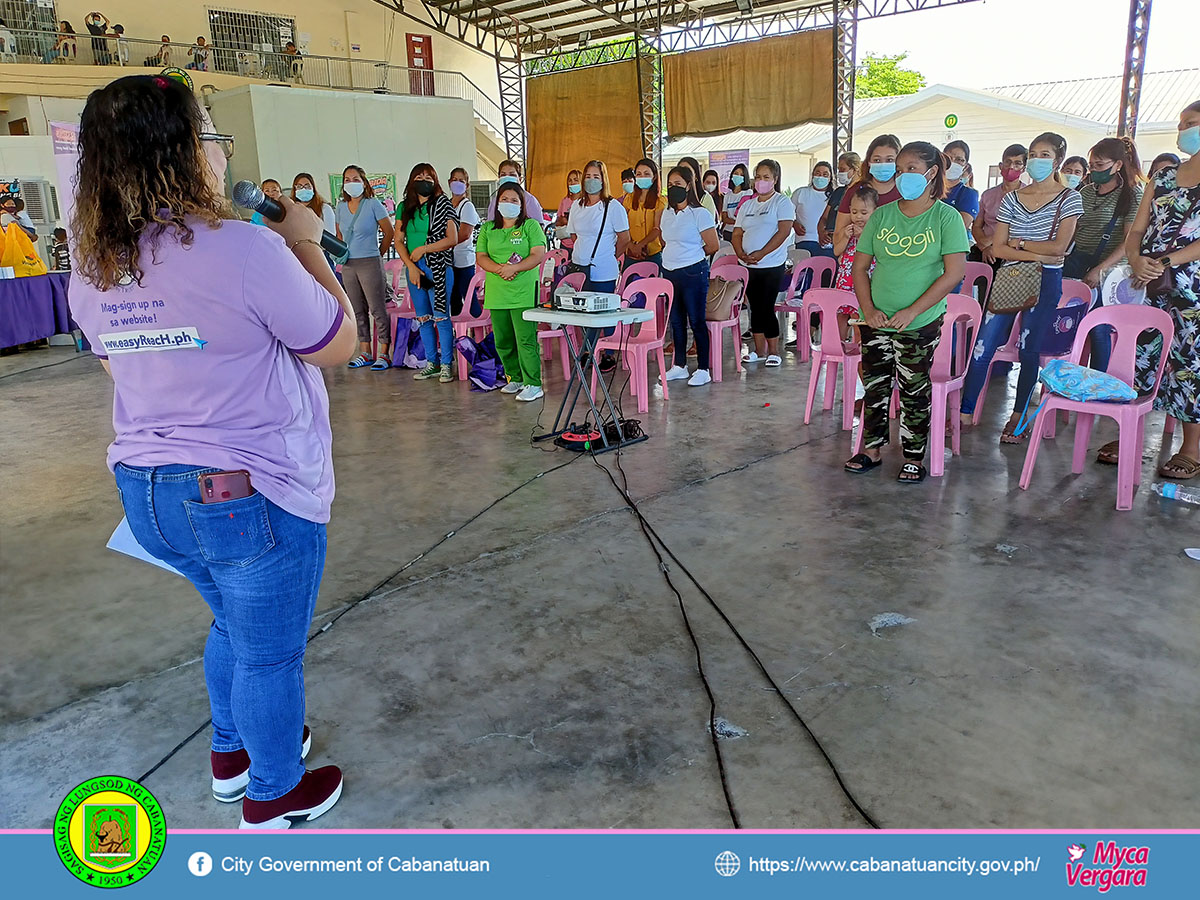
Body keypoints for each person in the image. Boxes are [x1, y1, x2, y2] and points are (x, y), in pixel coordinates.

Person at [68, 74, 355, 830]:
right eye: (208, 137)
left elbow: (115, 365)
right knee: (268, 654)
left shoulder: (96, 267)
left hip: (147, 491)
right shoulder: (246, 248)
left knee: (232, 622)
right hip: (244, 489)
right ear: (185, 152)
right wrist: (305, 245)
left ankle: (230, 753)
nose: (217, 153)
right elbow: (336, 343)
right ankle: (272, 795)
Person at [843, 141, 969, 483]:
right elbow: (860, 268)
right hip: (877, 319)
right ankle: (871, 449)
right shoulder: (882, 214)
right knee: (876, 385)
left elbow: (954, 273)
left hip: (920, 322)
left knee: (914, 388)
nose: (902, 176)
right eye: (899, 170)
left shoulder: (946, 217)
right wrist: (868, 310)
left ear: (931, 173)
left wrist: (913, 311)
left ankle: (914, 455)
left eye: (911, 169)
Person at [960, 132, 1083, 441]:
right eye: (1033, 153)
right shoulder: (1012, 198)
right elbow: (997, 248)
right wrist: (1035, 251)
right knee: (982, 346)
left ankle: (1018, 417)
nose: (1036, 160)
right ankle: (963, 412)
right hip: (1010, 278)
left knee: (1030, 350)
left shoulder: (1070, 198)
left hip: (1046, 280)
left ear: (1057, 159)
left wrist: (1022, 242)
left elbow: (1060, 247)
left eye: (1044, 154)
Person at [1126, 100, 1200, 481]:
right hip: (1148, 281)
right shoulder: (1165, 176)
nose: (1184, 130)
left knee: (1189, 362)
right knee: (1140, 353)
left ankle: (1190, 447)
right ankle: (1128, 432)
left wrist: (1166, 261)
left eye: (1192, 123)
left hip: (1192, 289)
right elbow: (1137, 229)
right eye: (1182, 123)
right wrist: (1136, 258)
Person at [1063, 137, 1145, 382]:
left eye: (1099, 165)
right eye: (1092, 165)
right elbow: (1073, 231)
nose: (1093, 171)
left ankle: (1099, 383)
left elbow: (1129, 242)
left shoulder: (1132, 196)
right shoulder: (1086, 192)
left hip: (1110, 271)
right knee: (1065, 322)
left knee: (1099, 327)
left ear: (1118, 165)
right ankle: (1064, 378)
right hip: (1078, 262)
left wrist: (1100, 270)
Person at [476, 183, 547, 402]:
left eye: (514, 200)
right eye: (504, 199)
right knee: (503, 339)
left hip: (523, 293)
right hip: (497, 293)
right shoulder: (488, 229)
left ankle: (533, 383)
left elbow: (537, 254)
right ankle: (514, 377)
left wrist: (514, 268)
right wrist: (500, 270)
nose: (509, 204)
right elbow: (481, 257)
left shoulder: (531, 226)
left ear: (522, 204)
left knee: (525, 339)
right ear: (497, 204)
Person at [396, 163, 460, 382]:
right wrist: (412, 267)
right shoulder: (404, 207)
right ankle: (431, 362)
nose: (424, 180)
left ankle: (446, 364)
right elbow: (398, 240)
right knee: (423, 317)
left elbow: (452, 239)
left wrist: (424, 248)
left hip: (438, 266)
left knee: (441, 316)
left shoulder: (443, 205)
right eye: (419, 176)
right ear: (412, 180)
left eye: (428, 177)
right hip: (414, 269)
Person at [566, 160, 631, 373]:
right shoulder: (577, 205)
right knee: (584, 313)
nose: (591, 180)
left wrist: (610, 255)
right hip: (579, 268)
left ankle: (609, 353)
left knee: (604, 313)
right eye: (588, 176)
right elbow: (574, 234)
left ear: (603, 180)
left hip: (603, 269)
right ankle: (588, 350)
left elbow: (624, 238)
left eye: (596, 176)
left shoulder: (613, 207)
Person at [660, 165, 719, 386]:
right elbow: (666, 241)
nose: (673, 188)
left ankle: (703, 368)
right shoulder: (666, 213)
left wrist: (691, 255)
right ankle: (679, 366)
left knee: (696, 321)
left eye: (678, 184)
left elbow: (712, 245)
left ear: (688, 186)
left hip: (693, 271)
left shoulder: (700, 213)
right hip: (670, 271)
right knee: (676, 322)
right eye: (670, 184)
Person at [733, 158, 794, 367]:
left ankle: (774, 351)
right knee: (755, 308)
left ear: (775, 179)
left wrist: (762, 253)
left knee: (766, 307)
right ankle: (758, 350)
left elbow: (784, 231)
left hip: (771, 265)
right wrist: (741, 253)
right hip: (748, 266)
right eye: (758, 177)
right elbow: (737, 233)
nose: (761, 181)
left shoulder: (782, 202)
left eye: (766, 177)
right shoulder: (747, 205)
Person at [335, 165, 395, 370]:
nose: (351, 183)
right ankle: (365, 351)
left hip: (369, 261)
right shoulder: (341, 207)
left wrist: (378, 253)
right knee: (357, 310)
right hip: (349, 264)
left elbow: (389, 231)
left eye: (355, 179)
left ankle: (384, 352)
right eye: (347, 179)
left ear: (364, 182)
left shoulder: (373, 204)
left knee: (377, 308)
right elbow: (339, 236)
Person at [833, 183, 879, 337]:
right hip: (845, 282)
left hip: (863, 284)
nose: (858, 216)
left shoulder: (876, 232)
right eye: (854, 212)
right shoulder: (849, 230)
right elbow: (837, 251)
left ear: (875, 212)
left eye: (864, 212)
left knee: (858, 318)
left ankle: (859, 350)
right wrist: (845, 237)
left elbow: (877, 253)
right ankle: (838, 348)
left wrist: (861, 236)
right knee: (840, 315)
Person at [836, 134, 901, 236]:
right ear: (869, 162)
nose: (882, 164)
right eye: (877, 160)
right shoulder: (855, 191)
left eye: (889, 160)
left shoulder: (906, 193)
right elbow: (838, 235)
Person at [972, 144, 1027, 266]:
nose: (1011, 167)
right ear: (1001, 166)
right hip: (985, 252)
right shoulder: (987, 195)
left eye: (1017, 163)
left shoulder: (1029, 195)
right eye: (1008, 162)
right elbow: (977, 226)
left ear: (1023, 169)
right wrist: (984, 247)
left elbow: (1024, 230)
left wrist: (996, 246)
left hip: (1014, 252)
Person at [447, 167, 481, 316]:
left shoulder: (467, 206)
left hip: (463, 260)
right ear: (449, 182)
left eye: (461, 181)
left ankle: (477, 330)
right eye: (455, 180)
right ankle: (458, 333)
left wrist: (445, 243)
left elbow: (465, 234)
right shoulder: (447, 205)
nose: (457, 183)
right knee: (453, 298)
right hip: (449, 259)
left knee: (468, 297)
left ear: (467, 185)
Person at [623, 158, 665, 267]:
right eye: (639, 174)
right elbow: (621, 225)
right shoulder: (629, 199)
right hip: (630, 253)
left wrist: (640, 245)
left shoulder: (660, 201)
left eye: (646, 174)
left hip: (652, 254)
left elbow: (657, 228)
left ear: (654, 176)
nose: (642, 177)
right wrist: (631, 245)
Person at [291, 173, 336, 267]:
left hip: (321, 255)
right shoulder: (291, 210)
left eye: (307, 186)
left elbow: (331, 235)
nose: (303, 189)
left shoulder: (324, 208)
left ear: (313, 188)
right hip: (297, 257)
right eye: (299, 186)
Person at [791, 161, 835, 257]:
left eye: (825, 174)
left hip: (827, 243)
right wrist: (794, 224)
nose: (820, 177)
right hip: (804, 241)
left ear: (830, 178)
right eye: (818, 173)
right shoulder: (800, 193)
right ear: (812, 175)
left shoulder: (834, 196)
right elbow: (786, 215)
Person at [820, 151, 861, 245]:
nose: (839, 173)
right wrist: (822, 232)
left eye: (843, 169)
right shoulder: (838, 192)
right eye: (839, 170)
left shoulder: (863, 192)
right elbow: (824, 218)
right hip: (830, 243)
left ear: (855, 169)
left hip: (849, 243)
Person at [942, 140, 980, 234]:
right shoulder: (929, 189)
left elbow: (960, 226)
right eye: (949, 158)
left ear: (965, 166)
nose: (952, 163)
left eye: (959, 160)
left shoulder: (969, 194)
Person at [678, 156, 719, 224]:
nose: (683, 174)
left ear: (696, 176)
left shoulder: (706, 198)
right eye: (680, 170)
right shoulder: (673, 197)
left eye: (687, 170)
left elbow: (710, 227)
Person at [721, 162, 751, 241]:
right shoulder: (727, 196)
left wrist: (734, 221)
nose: (738, 176)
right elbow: (724, 218)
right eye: (736, 173)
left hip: (742, 232)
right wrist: (737, 221)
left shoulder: (748, 193)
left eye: (741, 175)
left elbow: (746, 214)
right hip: (728, 232)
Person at [555, 169, 582, 251]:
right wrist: (561, 221)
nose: (572, 183)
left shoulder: (586, 202)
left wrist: (568, 223)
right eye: (570, 180)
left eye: (576, 180)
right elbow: (558, 221)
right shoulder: (564, 201)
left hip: (580, 245)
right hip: (565, 245)